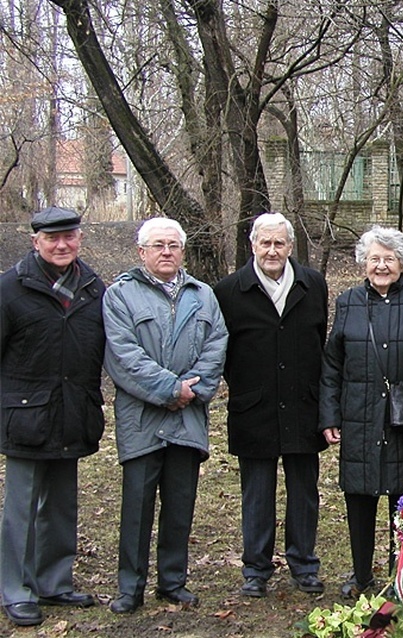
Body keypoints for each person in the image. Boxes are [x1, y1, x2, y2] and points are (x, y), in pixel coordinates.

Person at [102, 218, 228, 614]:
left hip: (187, 418)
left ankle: (173, 581)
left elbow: (216, 346)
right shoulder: (120, 295)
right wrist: (171, 389)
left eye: (173, 245)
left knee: (180, 504)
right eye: (158, 246)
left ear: (183, 251)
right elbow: (123, 356)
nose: (167, 252)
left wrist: (192, 391)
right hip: (141, 419)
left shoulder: (203, 295)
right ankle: (130, 587)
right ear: (142, 252)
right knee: (137, 507)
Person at [214, 213, 328, 598]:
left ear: (290, 247)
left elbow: (318, 344)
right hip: (254, 407)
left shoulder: (313, 285)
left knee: (304, 491)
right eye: (266, 243)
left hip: (302, 406)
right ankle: (256, 568)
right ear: (252, 245)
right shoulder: (230, 290)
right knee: (257, 493)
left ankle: (304, 564)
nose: (272, 251)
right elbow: (224, 353)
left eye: (279, 243)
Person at [0, 207, 105, 627]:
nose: (62, 245)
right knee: (22, 508)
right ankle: (16, 589)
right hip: (25, 415)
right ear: (36, 242)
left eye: (69, 237)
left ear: (79, 239)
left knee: (61, 505)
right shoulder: (10, 289)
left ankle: (54, 582)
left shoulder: (93, 287)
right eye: (52, 239)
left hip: (73, 411)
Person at [320, 226, 403, 598]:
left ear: (402, 262)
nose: (381, 266)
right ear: (363, 263)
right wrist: (330, 416)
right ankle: (360, 575)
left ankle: (398, 576)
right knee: (360, 496)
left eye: (389, 258)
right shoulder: (347, 302)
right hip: (359, 416)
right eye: (374, 259)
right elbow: (332, 366)